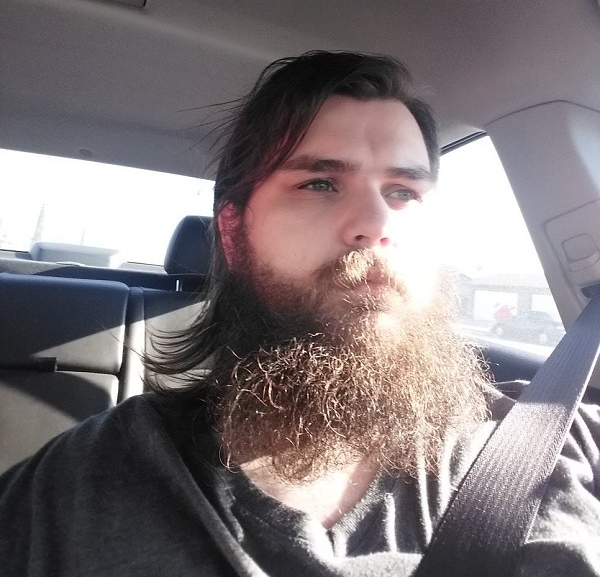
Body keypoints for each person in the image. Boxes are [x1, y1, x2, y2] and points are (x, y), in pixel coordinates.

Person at [1, 51, 599, 576]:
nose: (377, 224)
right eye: (319, 184)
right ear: (234, 235)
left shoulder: (554, 449)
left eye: (404, 192)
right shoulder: (76, 486)